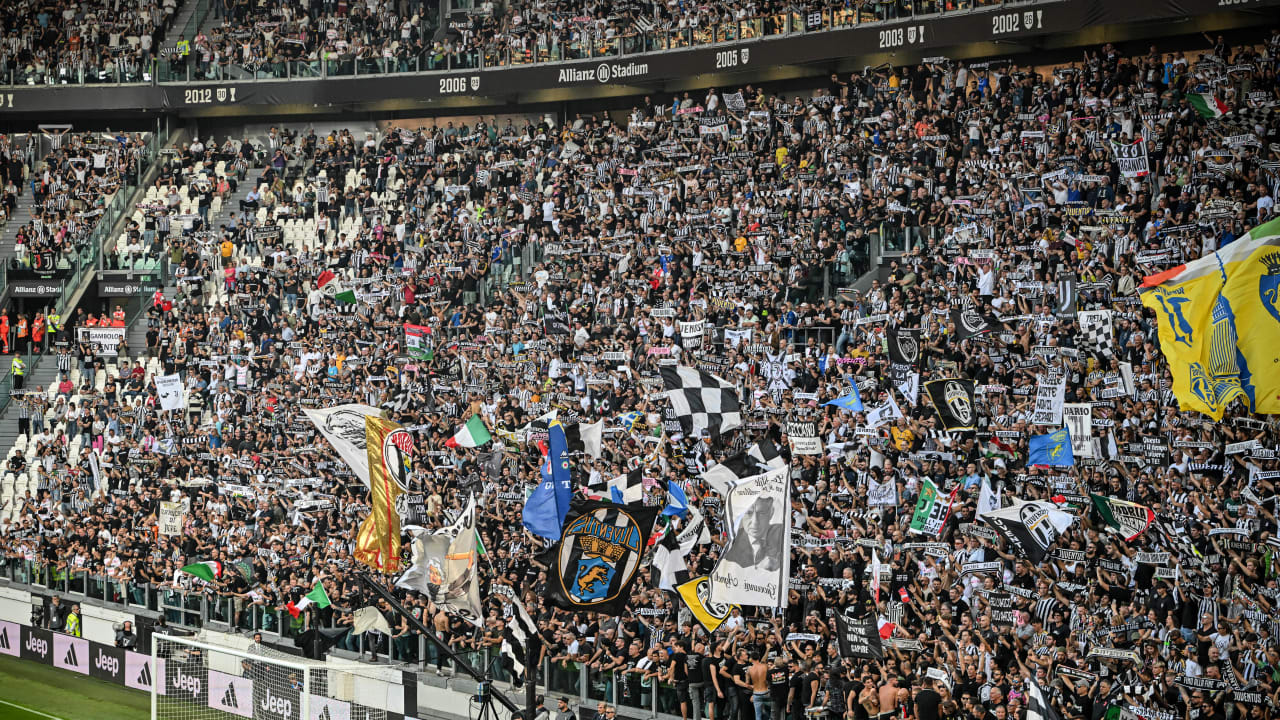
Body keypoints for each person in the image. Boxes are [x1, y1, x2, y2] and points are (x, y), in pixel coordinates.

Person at [719, 496, 784, 572]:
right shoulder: (734, 540)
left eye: (762, 513)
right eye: (749, 513)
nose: (755, 522)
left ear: (771, 513)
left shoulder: (782, 534)